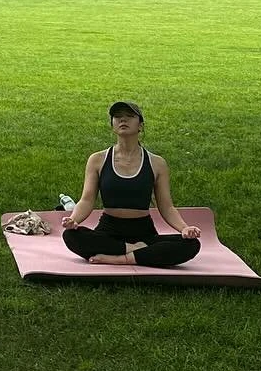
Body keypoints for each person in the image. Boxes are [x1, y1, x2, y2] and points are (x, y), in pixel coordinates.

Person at [61, 102, 201, 267]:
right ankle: (136, 252)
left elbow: (167, 207)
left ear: (140, 125)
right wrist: (73, 220)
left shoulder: (157, 163)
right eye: (118, 117)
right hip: (109, 229)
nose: (123, 120)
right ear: (112, 125)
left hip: (144, 233)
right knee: (70, 235)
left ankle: (120, 258)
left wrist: (184, 228)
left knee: (192, 245)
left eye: (129, 116)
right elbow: (86, 200)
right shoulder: (97, 160)